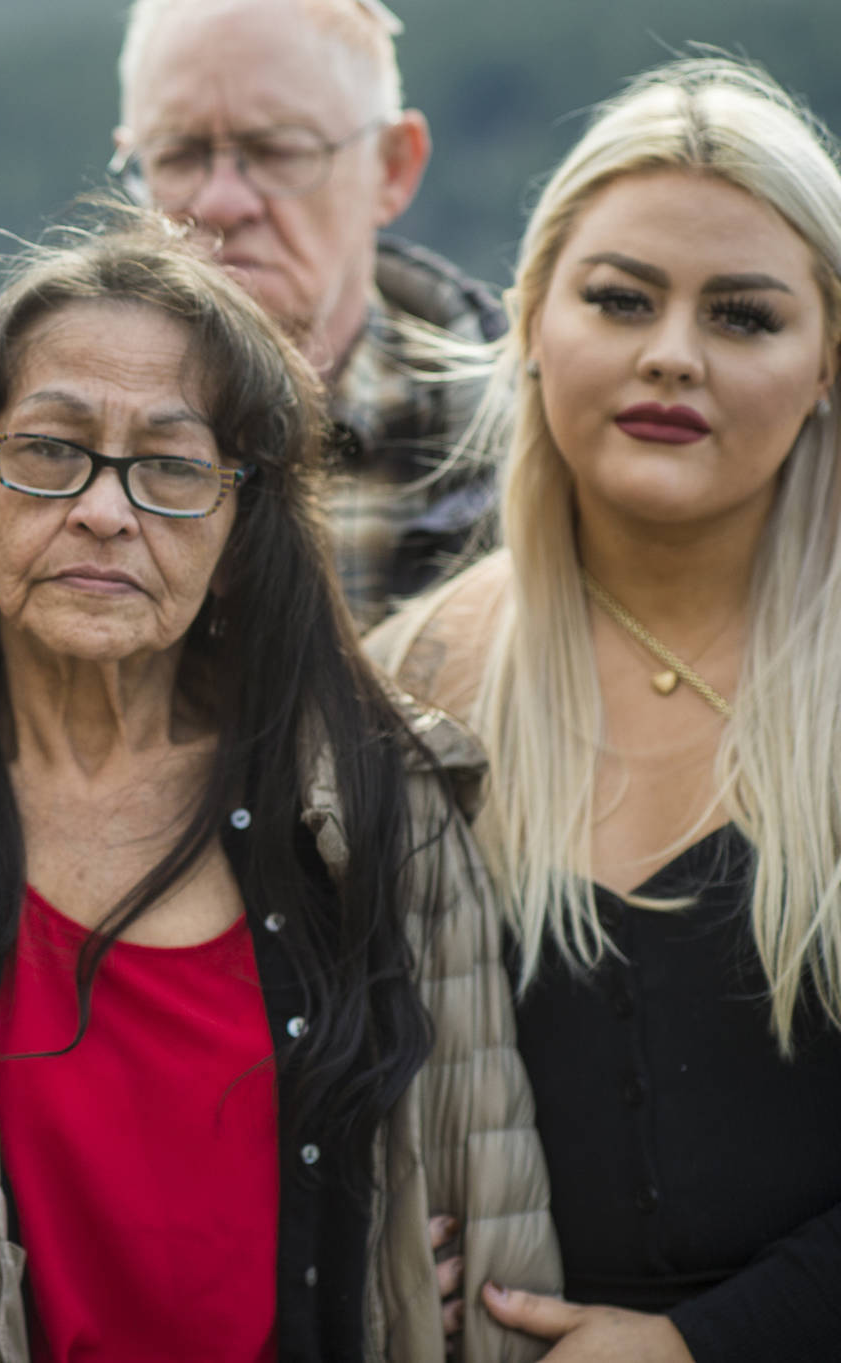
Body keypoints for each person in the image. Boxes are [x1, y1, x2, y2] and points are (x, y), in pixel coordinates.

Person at [0, 217, 559, 1362]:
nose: (100, 507)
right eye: (48, 449)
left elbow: (494, 1243)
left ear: (239, 524)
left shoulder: (374, 799)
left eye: (171, 466)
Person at [369, 57, 841, 1362]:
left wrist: (703, 1343)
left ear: (826, 363)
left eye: (744, 316)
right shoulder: (412, 679)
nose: (671, 354)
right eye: (621, 298)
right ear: (530, 318)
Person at [111, 0, 503, 622]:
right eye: (179, 155)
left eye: (276, 152)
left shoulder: (528, 461)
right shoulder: (18, 450)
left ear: (392, 167)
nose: (221, 201)